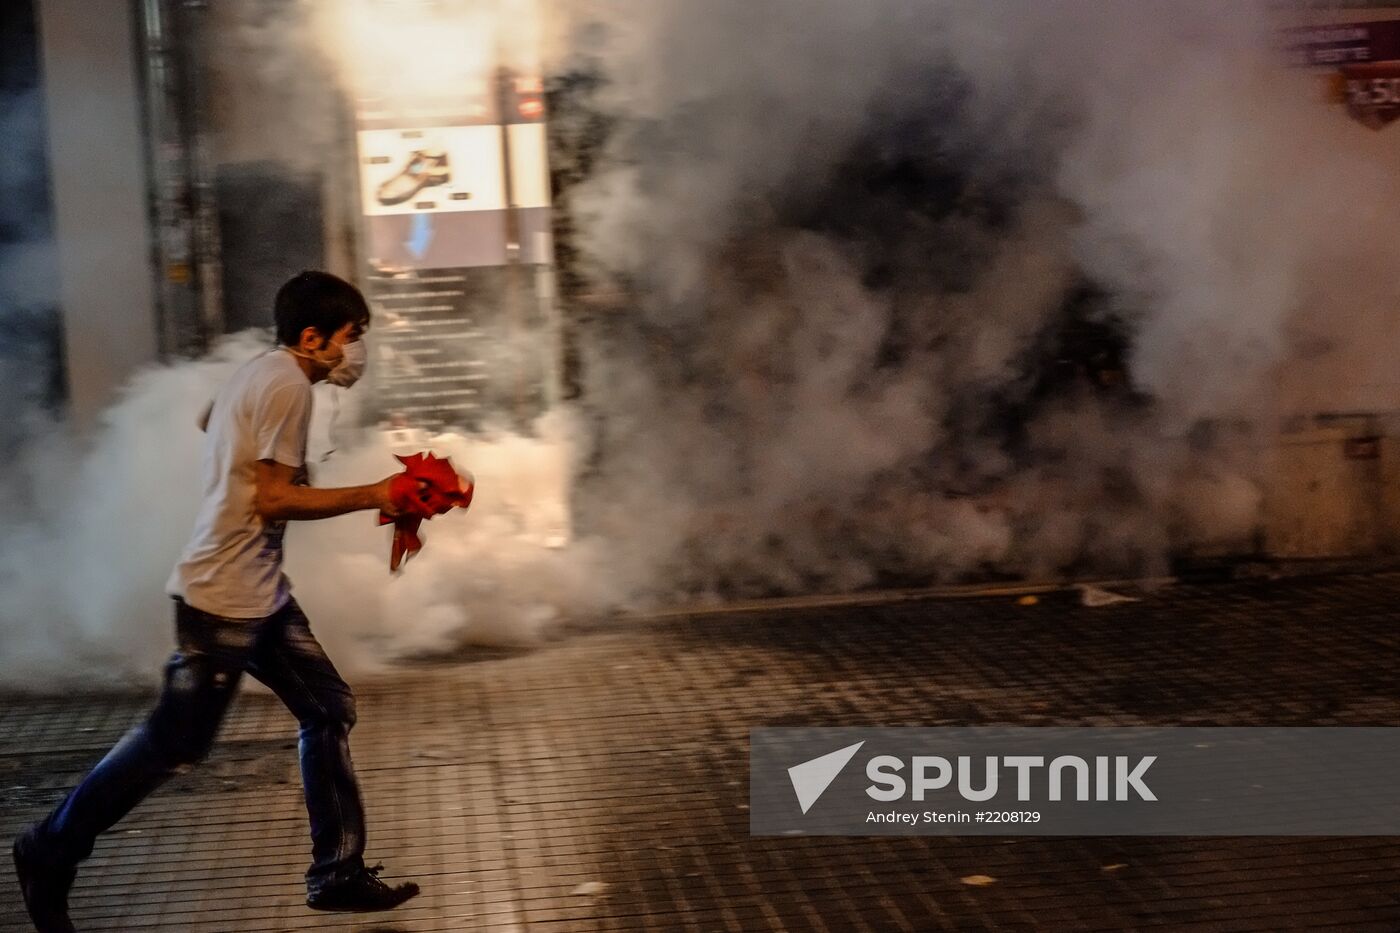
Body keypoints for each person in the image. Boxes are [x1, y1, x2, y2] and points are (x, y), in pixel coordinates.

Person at [13, 271, 421, 933]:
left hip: (261, 594)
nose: (356, 353)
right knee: (174, 743)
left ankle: (338, 872)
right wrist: (375, 492)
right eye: (351, 338)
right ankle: (48, 848)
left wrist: (259, 460)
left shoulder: (261, 369)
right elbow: (274, 498)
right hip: (223, 599)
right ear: (313, 336)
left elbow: (213, 420)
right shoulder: (287, 384)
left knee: (328, 707)